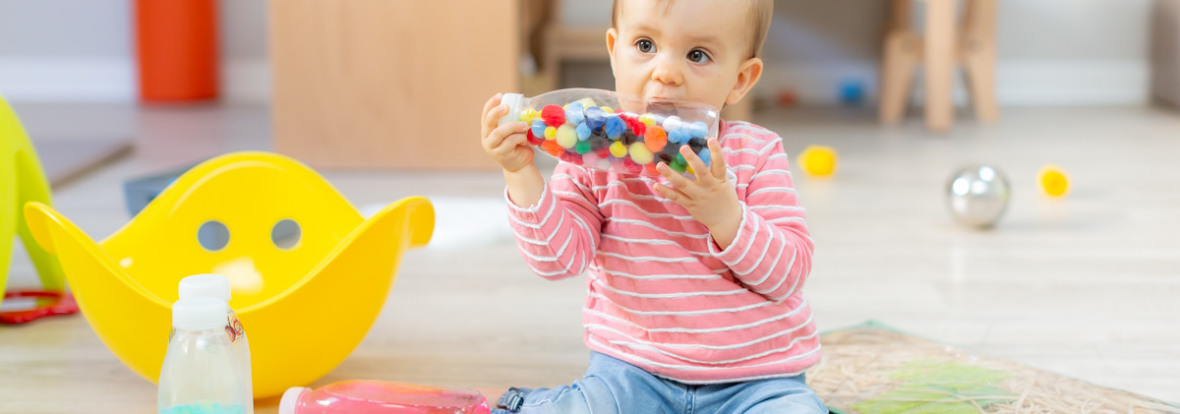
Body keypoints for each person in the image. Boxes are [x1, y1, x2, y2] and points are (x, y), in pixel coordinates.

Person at [479, 0, 826, 412]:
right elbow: (558, 261)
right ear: (614, 51)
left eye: (698, 55)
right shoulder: (591, 158)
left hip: (756, 380)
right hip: (632, 373)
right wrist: (520, 174)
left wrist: (725, 215)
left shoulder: (757, 152)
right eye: (645, 45)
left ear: (740, 79)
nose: (665, 72)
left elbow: (787, 275)